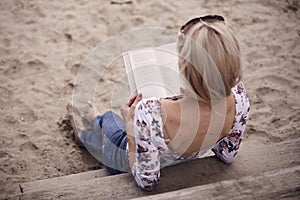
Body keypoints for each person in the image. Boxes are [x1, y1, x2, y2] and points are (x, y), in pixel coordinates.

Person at [66, 15, 250, 190]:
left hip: (128, 156)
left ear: (185, 70)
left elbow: (147, 181)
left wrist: (131, 128)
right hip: (182, 156)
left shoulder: (151, 111)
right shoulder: (239, 97)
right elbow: (227, 155)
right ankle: (97, 125)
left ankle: (88, 132)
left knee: (112, 123)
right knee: (123, 126)